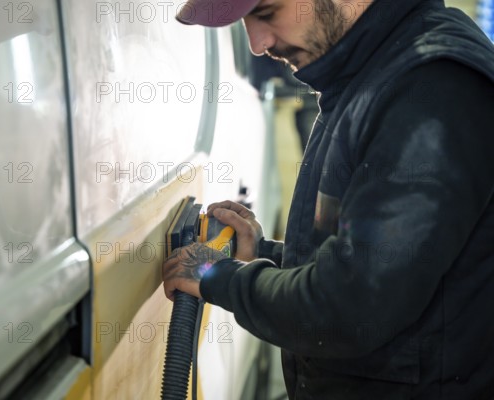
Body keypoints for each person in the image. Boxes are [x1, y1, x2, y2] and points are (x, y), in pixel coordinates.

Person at [162, 0, 494, 398]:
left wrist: (218, 276)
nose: (256, 42)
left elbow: (349, 309)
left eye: (266, 12)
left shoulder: (431, 86)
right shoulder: (372, 75)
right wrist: (266, 255)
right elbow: (377, 263)